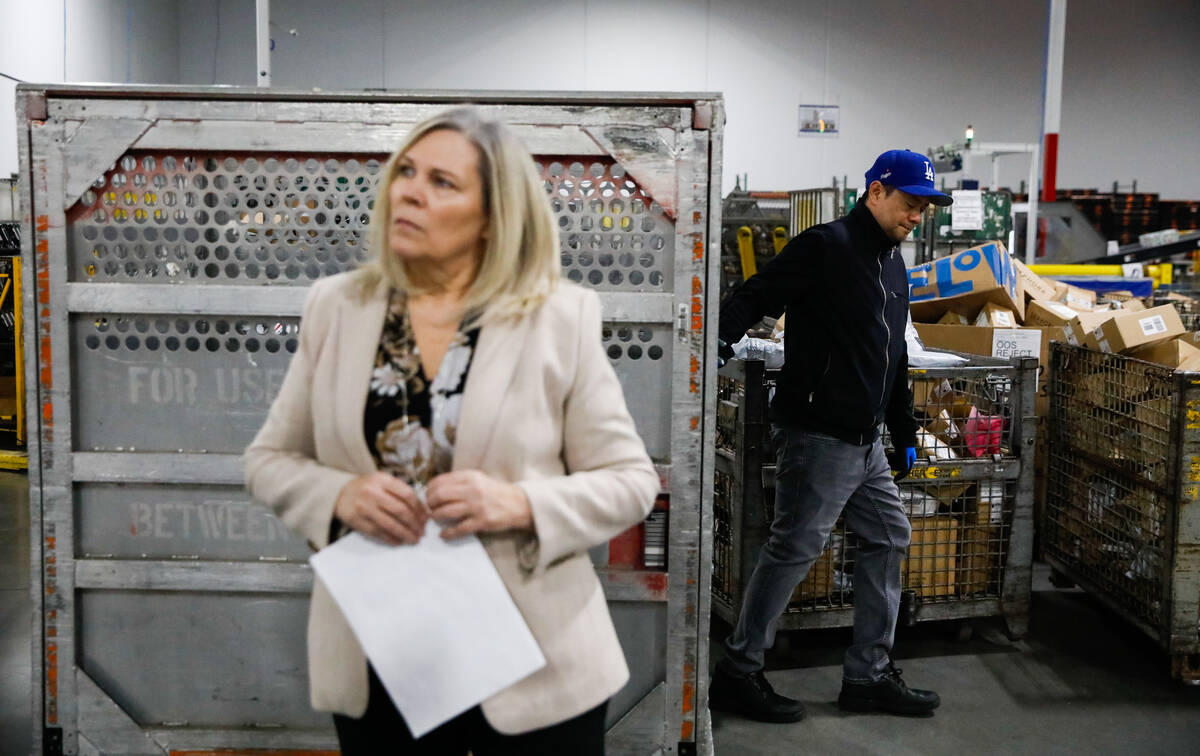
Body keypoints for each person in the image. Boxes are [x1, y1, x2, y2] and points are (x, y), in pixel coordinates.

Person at [244, 107, 659, 754]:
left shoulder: (558, 317)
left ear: (494, 217)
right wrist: (338, 497)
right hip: (384, 657)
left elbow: (631, 482)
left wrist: (522, 504)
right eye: (406, 171)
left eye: (442, 181)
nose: (408, 190)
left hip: (534, 663)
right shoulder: (338, 307)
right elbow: (270, 459)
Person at [709, 149, 953, 722]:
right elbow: (757, 293)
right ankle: (738, 672)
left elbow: (891, 355)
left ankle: (868, 675)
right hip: (818, 433)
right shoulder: (826, 246)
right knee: (795, 547)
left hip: (866, 442)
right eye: (909, 203)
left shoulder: (894, 264)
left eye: (924, 207)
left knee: (890, 536)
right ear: (875, 192)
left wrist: (902, 428)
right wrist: (714, 339)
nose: (917, 215)